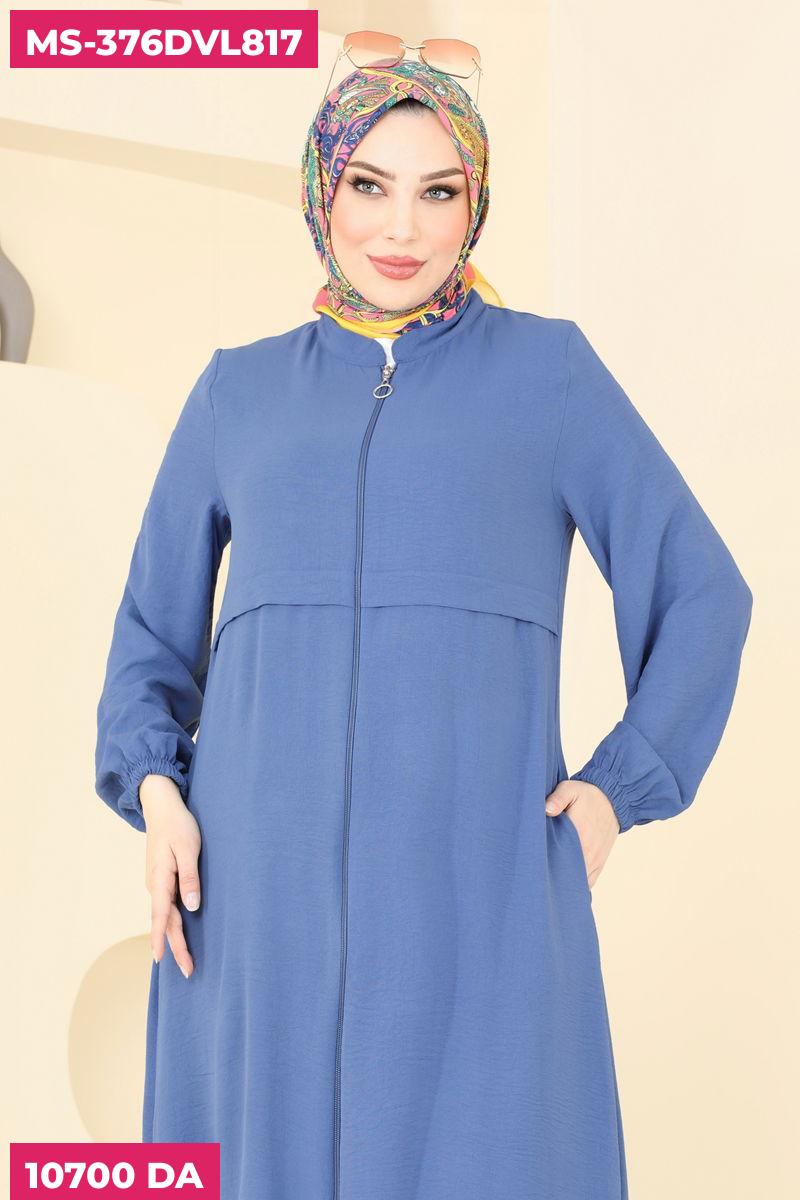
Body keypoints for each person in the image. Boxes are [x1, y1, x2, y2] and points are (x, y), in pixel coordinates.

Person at [94, 57, 753, 1200]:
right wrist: (158, 794)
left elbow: (704, 593)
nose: (401, 228)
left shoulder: (548, 376)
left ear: (473, 201)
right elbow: (148, 643)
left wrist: (616, 789)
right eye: (369, 186)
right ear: (322, 191)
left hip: (478, 911)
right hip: (251, 921)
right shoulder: (235, 394)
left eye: (437, 192)